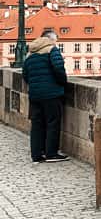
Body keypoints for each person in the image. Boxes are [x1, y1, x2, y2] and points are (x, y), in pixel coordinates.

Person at [22, 30, 68, 163]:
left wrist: (35, 85)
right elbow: (58, 67)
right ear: (51, 39)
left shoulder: (30, 52)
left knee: (37, 124)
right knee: (53, 122)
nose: (56, 43)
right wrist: (61, 83)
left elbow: (25, 74)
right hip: (51, 93)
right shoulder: (52, 49)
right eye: (56, 41)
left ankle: (37, 155)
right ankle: (51, 154)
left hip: (35, 94)